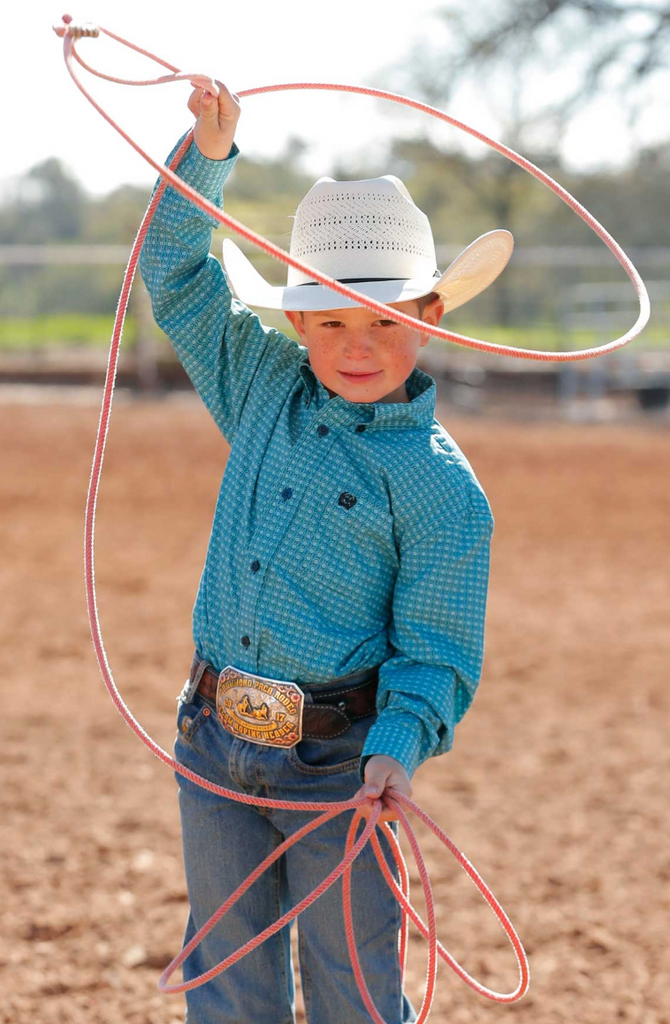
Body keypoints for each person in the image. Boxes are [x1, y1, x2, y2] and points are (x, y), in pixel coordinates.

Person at [139, 81, 512, 1024]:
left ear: (429, 315)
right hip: (215, 737)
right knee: (226, 982)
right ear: (297, 320)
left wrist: (396, 745)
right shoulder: (261, 383)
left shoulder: (440, 490)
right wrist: (210, 154)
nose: (359, 344)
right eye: (333, 318)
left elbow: (435, 651)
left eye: (386, 320)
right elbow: (180, 278)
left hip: (339, 766)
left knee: (352, 990)